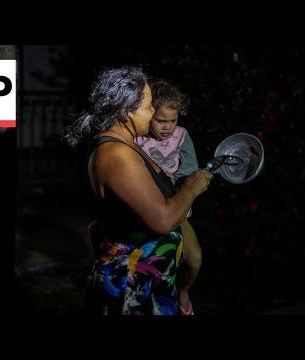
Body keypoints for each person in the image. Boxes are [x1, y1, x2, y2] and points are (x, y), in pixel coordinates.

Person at [62, 66, 213, 315]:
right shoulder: (116, 154)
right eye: (149, 106)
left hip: (150, 282)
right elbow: (163, 220)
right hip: (133, 289)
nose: (154, 111)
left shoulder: (126, 143)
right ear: (126, 112)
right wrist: (190, 189)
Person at [135, 79, 201, 316]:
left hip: (176, 208)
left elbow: (191, 168)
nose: (167, 127)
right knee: (153, 264)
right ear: (149, 115)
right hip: (149, 209)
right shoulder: (138, 138)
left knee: (194, 258)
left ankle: (183, 291)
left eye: (172, 121)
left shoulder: (181, 136)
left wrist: (183, 180)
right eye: (161, 121)